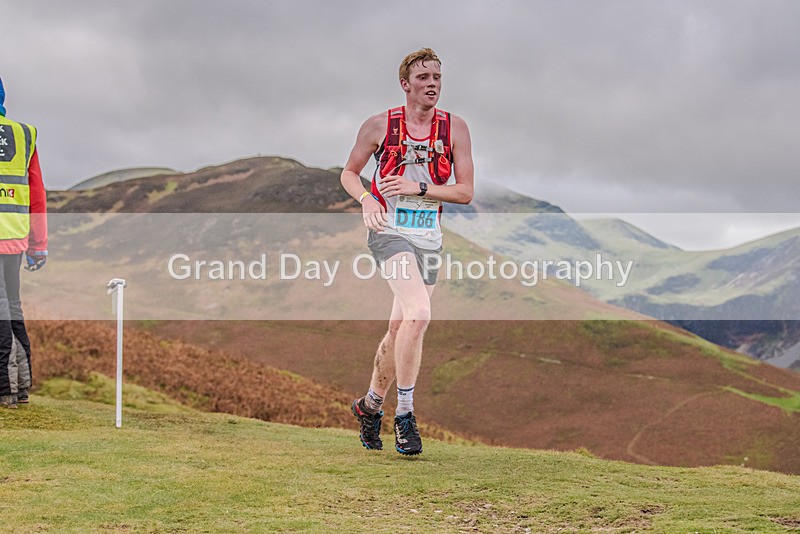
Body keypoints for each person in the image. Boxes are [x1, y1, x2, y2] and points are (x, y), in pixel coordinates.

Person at [340, 48, 474, 454]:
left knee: (401, 329)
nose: (432, 84)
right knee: (419, 314)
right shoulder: (380, 125)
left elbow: (465, 192)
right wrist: (366, 198)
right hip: (389, 231)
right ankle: (405, 415)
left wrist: (419, 189)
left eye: (437, 76)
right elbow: (348, 172)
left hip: (429, 236)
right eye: (423, 78)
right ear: (405, 84)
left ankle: (369, 406)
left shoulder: (455, 128)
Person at [0, 77, 48, 409]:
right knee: (11, 308)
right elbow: (37, 193)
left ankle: (5, 390)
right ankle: (21, 388)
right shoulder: (24, 134)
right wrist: (38, 244)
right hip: (14, 237)